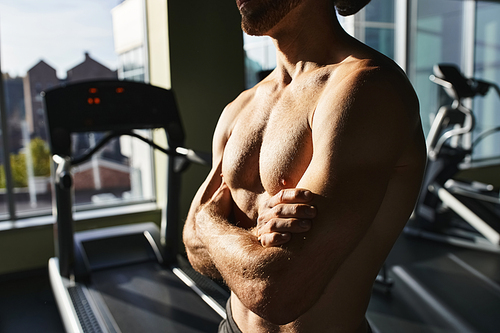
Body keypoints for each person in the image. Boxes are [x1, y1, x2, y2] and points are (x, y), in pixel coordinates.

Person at [183, 0, 427, 332]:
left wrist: (210, 223)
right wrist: (252, 237)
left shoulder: (368, 89)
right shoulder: (241, 106)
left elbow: (277, 291)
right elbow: (191, 243)